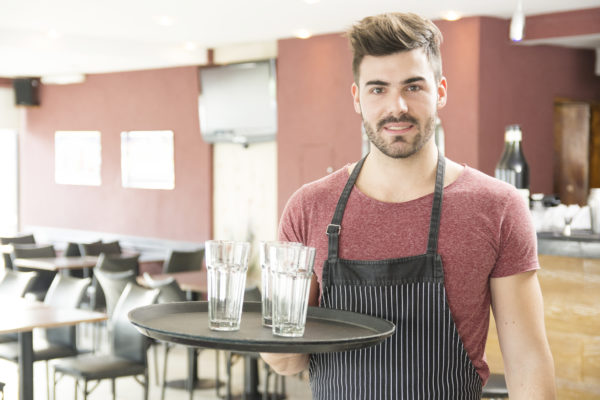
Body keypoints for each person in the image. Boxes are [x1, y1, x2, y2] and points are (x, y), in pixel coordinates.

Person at [261, 12, 555, 399]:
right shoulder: (309, 207)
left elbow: (528, 361)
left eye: (413, 87)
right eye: (378, 89)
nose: (396, 106)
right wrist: (270, 323)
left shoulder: (497, 207)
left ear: (441, 91)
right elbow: (287, 360)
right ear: (357, 97)